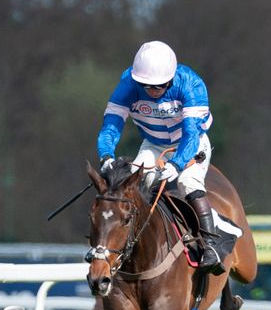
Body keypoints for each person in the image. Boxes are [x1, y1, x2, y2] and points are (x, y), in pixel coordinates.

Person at [96, 40, 224, 274]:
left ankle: (211, 244)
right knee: (134, 184)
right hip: (153, 143)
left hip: (191, 142)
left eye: (159, 86)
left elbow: (191, 133)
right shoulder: (127, 85)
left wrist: (177, 164)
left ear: (171, 78)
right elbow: (111, 125)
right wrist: (106, 155)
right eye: (146, 86)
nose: (152, 91)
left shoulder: (191, 84)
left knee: (188, 182)